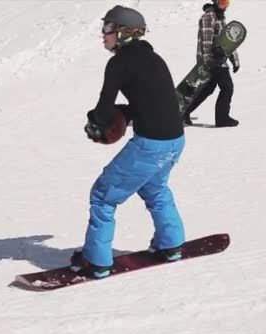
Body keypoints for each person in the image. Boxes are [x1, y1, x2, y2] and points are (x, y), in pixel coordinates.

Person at [71, 5, 187, 279]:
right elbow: (155, 101)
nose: (103, 34)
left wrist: (97, 121)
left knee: (102, 195)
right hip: (175, 140)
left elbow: (102, 110)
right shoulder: (154, 58)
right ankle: (170, 245)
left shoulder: (119, 62)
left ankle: (96, 261)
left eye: (109, 28)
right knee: (155, 188)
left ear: (125, 33)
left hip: (150, 144)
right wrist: (125, 112)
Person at [183, 0, 240, 127]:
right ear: (215, 2)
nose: (224, 7)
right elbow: (206, 41)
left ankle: (184, 112)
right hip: (213, 61)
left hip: (219, 60)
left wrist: (235, 60)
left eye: (227, 3)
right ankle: (222, 119)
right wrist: (209, 59)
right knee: (227, 87)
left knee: (207, 89)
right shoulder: (208, 17)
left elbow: (228, 41)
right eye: (222, 3)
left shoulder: (220, 17)